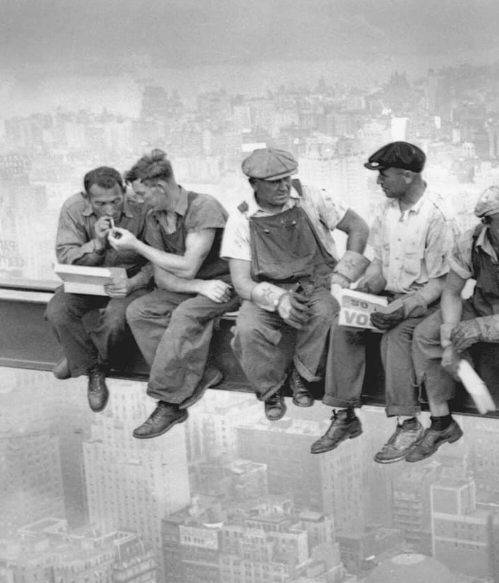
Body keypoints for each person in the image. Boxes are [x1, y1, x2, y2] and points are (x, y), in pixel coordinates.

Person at [312, 142, 457, 461]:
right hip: (390, 297)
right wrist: (366, 289)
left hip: (426, 304)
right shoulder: (386, 211)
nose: (380, 182)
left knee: (397, 336)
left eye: (385, 175)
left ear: (407, 176)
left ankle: (408, 424)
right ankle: (344, 414)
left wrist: (403, 307)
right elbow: (379, 260)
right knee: (344, 324)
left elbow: (441, 283)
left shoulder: (438, 217)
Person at [411, 185, 499, 476]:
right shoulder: (469, 242)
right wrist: (450, 339)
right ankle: (441, 421)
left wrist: (483, 328)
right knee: (426, 333)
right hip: (482, 303)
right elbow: (452, 293)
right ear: (486, 225)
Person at [223, 147, 370, 421]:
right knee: (247, 329)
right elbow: (241, 282)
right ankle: (270, 390)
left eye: (286, 178)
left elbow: (359, 227)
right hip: (268, 289)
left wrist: (342, 276)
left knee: (326, 314)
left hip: (317, 283)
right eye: (273, 182)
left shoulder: (311, 195)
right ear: (254, 184)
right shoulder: (241, 218)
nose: (283, 187)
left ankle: (302, 376)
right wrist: (278, 299)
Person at [112, 150, 238, 437]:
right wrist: (198, 287)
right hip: (197, 286)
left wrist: (137, 246)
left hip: (225, 284)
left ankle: (169, 402)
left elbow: (187, 266)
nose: (140, 200)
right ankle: (201, 373)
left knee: (184, 316)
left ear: (161, 187)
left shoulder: (203, 207)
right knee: (140, 311)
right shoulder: (154, 214)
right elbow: (161, 274)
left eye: (143, 193)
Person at [46, 166, 154, 411]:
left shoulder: (142, 207)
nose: (110, 209)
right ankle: (91, 368)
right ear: (86, 198)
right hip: (86, 279)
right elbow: (66, 256)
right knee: (58, 312)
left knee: (116, 321)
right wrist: (97, 245)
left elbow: (155, 258)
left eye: (116, 201)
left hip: (130, 280)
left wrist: (133, 284)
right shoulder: (73, 208)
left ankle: (82, 359)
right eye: (101, 203)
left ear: (124, 192)